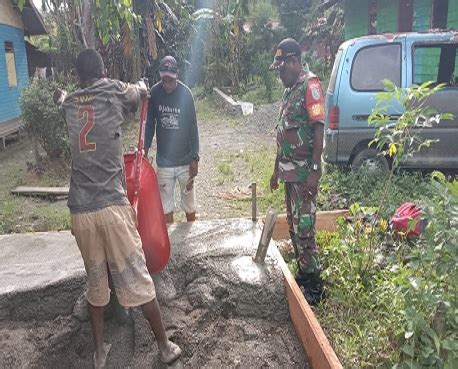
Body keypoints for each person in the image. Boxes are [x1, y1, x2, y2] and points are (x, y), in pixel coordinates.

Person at [54, 49, 182, 368]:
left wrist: (66, 93)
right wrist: (140, 83)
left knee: (96, 282)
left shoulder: (70, 103)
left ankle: (99, 354)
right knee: (138, 276)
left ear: (79, 77)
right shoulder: (112, 90)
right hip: (111, 205)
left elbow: (63, 99)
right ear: (102, 71)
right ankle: (164, 347)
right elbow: (139, 92)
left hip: (80, 212)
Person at [269, 38, 325, 305]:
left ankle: (314, 283)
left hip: (304, 174)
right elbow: (283, 133)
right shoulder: (289, 90)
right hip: (289, 173)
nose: (279, 73)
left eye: (282, 67)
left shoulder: (310, 86)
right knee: (293, 224)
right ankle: (303, 274)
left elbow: (318, 128)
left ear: (294, 62)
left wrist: (315, 170)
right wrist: (275, 171)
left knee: (305, 228)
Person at [144, 56, 199, 224]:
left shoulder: (185, 94)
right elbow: (149, 125)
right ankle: (171, 245)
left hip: (185, 161)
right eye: (164, 79)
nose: (167, 83)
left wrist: (195, 157)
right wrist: (144, 151)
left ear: (177, 75)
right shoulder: (154, 93)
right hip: (164, 163)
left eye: (170, 79)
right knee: (166, 208)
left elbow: (193, 126)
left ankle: (192, 237)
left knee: (190, 206)